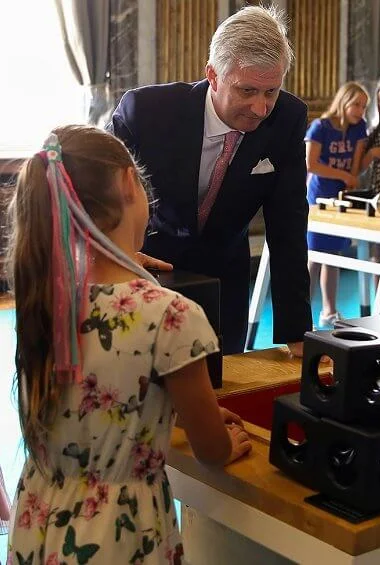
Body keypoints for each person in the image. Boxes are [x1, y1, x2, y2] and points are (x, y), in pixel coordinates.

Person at [6, 125, 251, 564]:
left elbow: (92, 405)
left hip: (37, 526)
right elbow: (211, 449)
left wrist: (166, 417)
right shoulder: (172, 316)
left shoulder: (46, 302)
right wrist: (222, 439)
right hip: (120, 537)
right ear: (126, 184)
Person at [108, 5, 312, 356]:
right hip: (146, 269)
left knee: (220, 393)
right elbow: (98, 199)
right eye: (247, 91)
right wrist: (119, 254)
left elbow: (289, 226)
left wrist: (297, 335)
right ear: (213, 76)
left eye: (271, 92)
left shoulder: (288, 119)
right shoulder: (146, 111)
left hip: (224, 283)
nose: (261, 108)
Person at [305, 82, 369, 327]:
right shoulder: (320, 127)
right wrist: (343, 176)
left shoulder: (359, 127)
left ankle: (329, 310)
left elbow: (355, 163)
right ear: (344, 101)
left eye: (364, 107)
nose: (360, 111)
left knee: (334, 254)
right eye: (356, 104)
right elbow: (311, 164)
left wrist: (350, 180)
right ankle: (304, 313)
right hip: (320, 196)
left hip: (342, 197)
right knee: (315, 255)